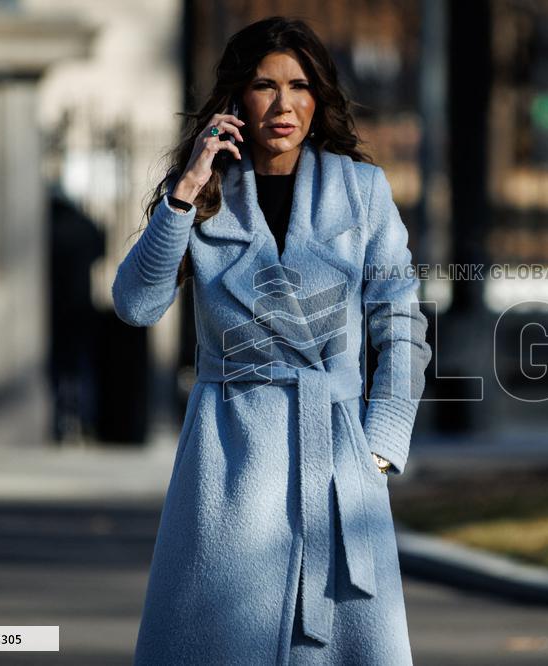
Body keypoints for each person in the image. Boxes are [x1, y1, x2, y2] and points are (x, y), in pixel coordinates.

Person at [111, 15, 432, 665]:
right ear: (236, 98)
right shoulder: (203, 196)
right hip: (229, 461)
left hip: (336, 455)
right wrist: (184, 192)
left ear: (319, 98)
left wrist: (379, 445)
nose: (283, 105)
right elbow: (137, 305)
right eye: (264, 85)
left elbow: (401, 322)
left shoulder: (361, 191)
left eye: (300, 86)